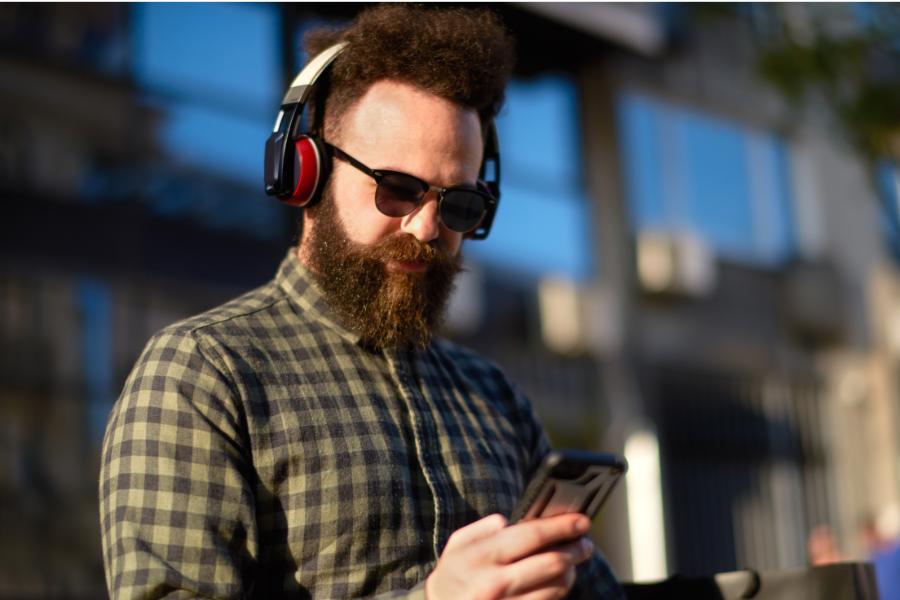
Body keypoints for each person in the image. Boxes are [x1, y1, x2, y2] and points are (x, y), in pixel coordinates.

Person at [99, 6, 623, 600]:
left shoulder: (496, 398)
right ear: (307, 174)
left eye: (459, 205)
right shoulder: (205, 373)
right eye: (398, 189)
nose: (427, 228)